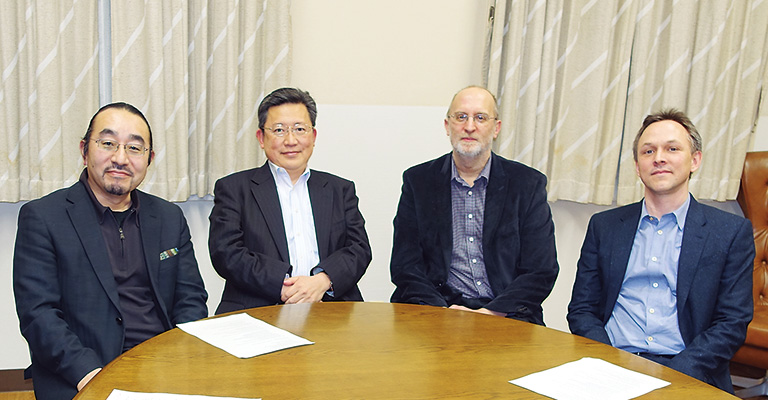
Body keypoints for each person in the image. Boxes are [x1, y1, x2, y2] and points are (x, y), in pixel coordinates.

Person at [13, 102, 209, 400]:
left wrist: (179, 359)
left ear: (149, 158)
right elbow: (38, 315)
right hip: (83, 371)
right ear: (84, 150)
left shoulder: (168, 217)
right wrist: (88, 374)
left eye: (134, 148)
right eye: (108, 143)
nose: (120, 158)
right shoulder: (43, 217)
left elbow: (190, 300)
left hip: (162, 365)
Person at [567, 109, 754, 393]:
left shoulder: (729, 232)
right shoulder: (604, 227)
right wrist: (607, 362)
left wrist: (672, 375)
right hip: (612, 364)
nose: (659, 158)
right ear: (637, 165)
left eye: (672, 148)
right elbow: (581, 310)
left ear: (695, 160)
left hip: (688, 370)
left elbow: (732, 323)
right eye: (648, 151)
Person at [389, 86, 559, 325]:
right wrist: (444, 312)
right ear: (448, 127)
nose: (470, 126)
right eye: (461, 117)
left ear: (496, 128)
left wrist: (490, 314)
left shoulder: (527, 184)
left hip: (505, 314)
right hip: (436, 311)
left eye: (480, 117)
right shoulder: (418, 181)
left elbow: (541, 270)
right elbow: (405, 266)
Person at [209, 87, 371, 314]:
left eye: (299, 129)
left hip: (330, 307)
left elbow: (359, 249)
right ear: (261, 138)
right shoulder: (234, 188)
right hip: (257, 308)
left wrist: (323, 281)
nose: (291, 140)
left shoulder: (340, 189)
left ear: (313, 137)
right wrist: (285, 288)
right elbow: (225, 252)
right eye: (279, 130)